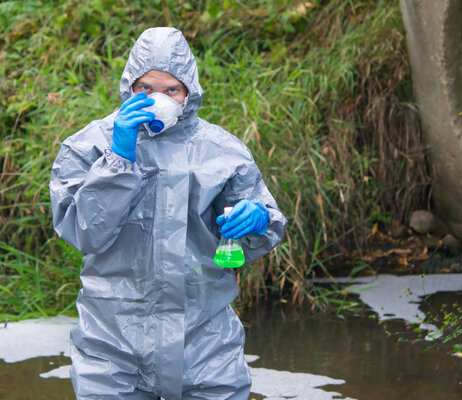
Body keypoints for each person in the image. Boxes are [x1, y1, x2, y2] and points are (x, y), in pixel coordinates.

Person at [49, 27, 287, 400]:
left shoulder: (222, 150)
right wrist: (117, 160)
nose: (156, 99)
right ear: (129, 86)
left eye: (170, 90)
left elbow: (263, 230)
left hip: (206, 338)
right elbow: (84, 234)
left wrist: (257, 219)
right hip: (111, 342)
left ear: (188, 92)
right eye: (145, 89)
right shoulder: (88, 146)